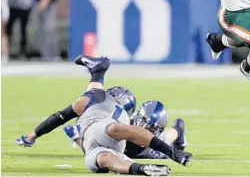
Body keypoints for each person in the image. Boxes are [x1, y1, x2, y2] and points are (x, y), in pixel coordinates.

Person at [16, 55, 192, 175]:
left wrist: (33, 135)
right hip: (105, 143)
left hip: (103, 132)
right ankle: (142, 169)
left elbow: (60, 116)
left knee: (113, 135)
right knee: (104, 158)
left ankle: (169, 147)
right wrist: (76, 139)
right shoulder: (114, 112)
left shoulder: (97, 102)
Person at [64, 100, 187, 159]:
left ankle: (179, 130)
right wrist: (78, 138)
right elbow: (93, 150)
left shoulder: (157, 140)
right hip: (117, 137)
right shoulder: (122, 127)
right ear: (138, 119)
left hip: (150, 147)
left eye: (152, 129)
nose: (145, 130)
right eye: (144, 124)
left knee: (167, 138)